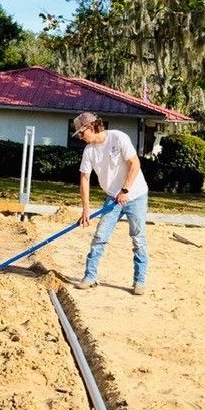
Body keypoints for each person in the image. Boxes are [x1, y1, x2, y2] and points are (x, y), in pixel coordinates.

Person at [72, 111, 149, 295]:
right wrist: (86, 209)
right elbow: (84, 178)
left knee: (138, 238)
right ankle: (90, 277)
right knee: (100, 237)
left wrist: (125, 190)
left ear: (91, 127)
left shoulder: (118, 138)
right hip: (112, 199)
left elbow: (134, 164)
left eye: (81, 133)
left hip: (135, 195)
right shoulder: (89, 151)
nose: (81, 137)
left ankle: (139, 281)